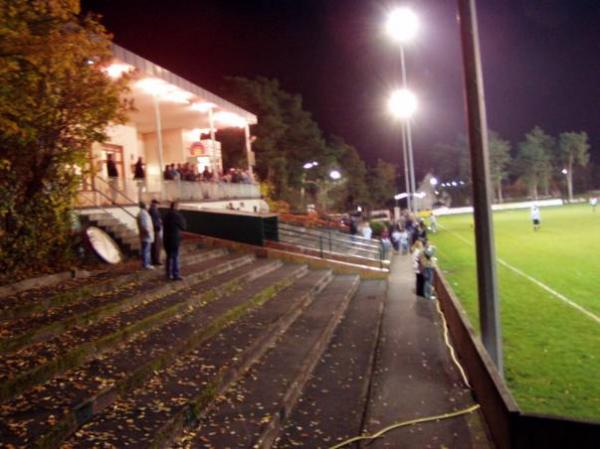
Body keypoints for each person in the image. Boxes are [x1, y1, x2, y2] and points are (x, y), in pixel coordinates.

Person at [163, 201, 187, 281]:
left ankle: (168, 274)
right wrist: (181, 217)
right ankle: (175, 274)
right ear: (176, 207)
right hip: (174, 239)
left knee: (168, 257)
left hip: (166, 238)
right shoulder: (177, 215)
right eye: (179, 206)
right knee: (175, 256)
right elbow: (183, 226)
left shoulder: (166, 215)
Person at [136, 201, 154, 269]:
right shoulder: (143, 214)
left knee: (145, 249)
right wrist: (148, 233)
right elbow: (145, 225)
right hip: (146, 235)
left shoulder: (142, 213)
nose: (148, 206)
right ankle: (146, 264)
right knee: (146, 250)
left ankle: (146, 263)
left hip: (145, 235)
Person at [149, 199, 163, 266]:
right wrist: (158, 227)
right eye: (157, 203)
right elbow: (155, 220)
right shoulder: (153, 210)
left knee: (156, 245)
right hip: (156, 230)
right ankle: (156, 260)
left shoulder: (152, 210)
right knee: (156, 245)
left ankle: (154, 259)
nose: (157, 205)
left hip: (155, 229)